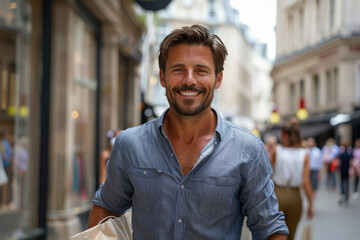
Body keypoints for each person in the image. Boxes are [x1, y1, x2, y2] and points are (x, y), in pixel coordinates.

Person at [87, 25, 288, 239]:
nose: (189, 80)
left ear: (218, 78)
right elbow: (106, 210)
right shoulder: (130, 144)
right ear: (163, 77)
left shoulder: (248, 149)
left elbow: (269, 229)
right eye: (178, 69)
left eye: (201, 70)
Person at [270, 118, 313, 240]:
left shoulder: (277, 150)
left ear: (285, 136)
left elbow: (269, 175)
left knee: (275, 233)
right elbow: (305, 181)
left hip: (278, 194)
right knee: (291, 234)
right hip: (295, 196)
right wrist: (310, 204)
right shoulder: (304, 154)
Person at [337, 140, 353, 205]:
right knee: (347, 183)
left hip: (342, 170)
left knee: (342, 182)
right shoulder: (349, 154)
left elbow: (338, 162)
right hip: (347, 170)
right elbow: (351, 162)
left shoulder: (341, 154)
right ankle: (346, 196)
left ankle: (342, 194)